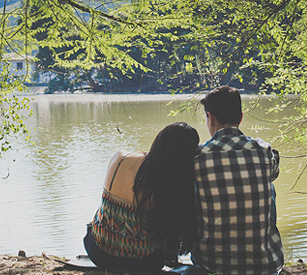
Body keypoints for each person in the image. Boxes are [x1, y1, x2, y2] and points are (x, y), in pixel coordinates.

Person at [85, 122, 199, 273]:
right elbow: (171, 242)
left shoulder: (120, 157)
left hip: (97, 251)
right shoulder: (167, 185)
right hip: (142, 263)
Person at [192, 85, 284, 275]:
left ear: (210, 118)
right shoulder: (263, 150)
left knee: (197, 190)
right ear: (240, 117)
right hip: (265, 265)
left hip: (213, 265)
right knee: (269, 185)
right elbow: (274, 169)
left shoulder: (197, 157)